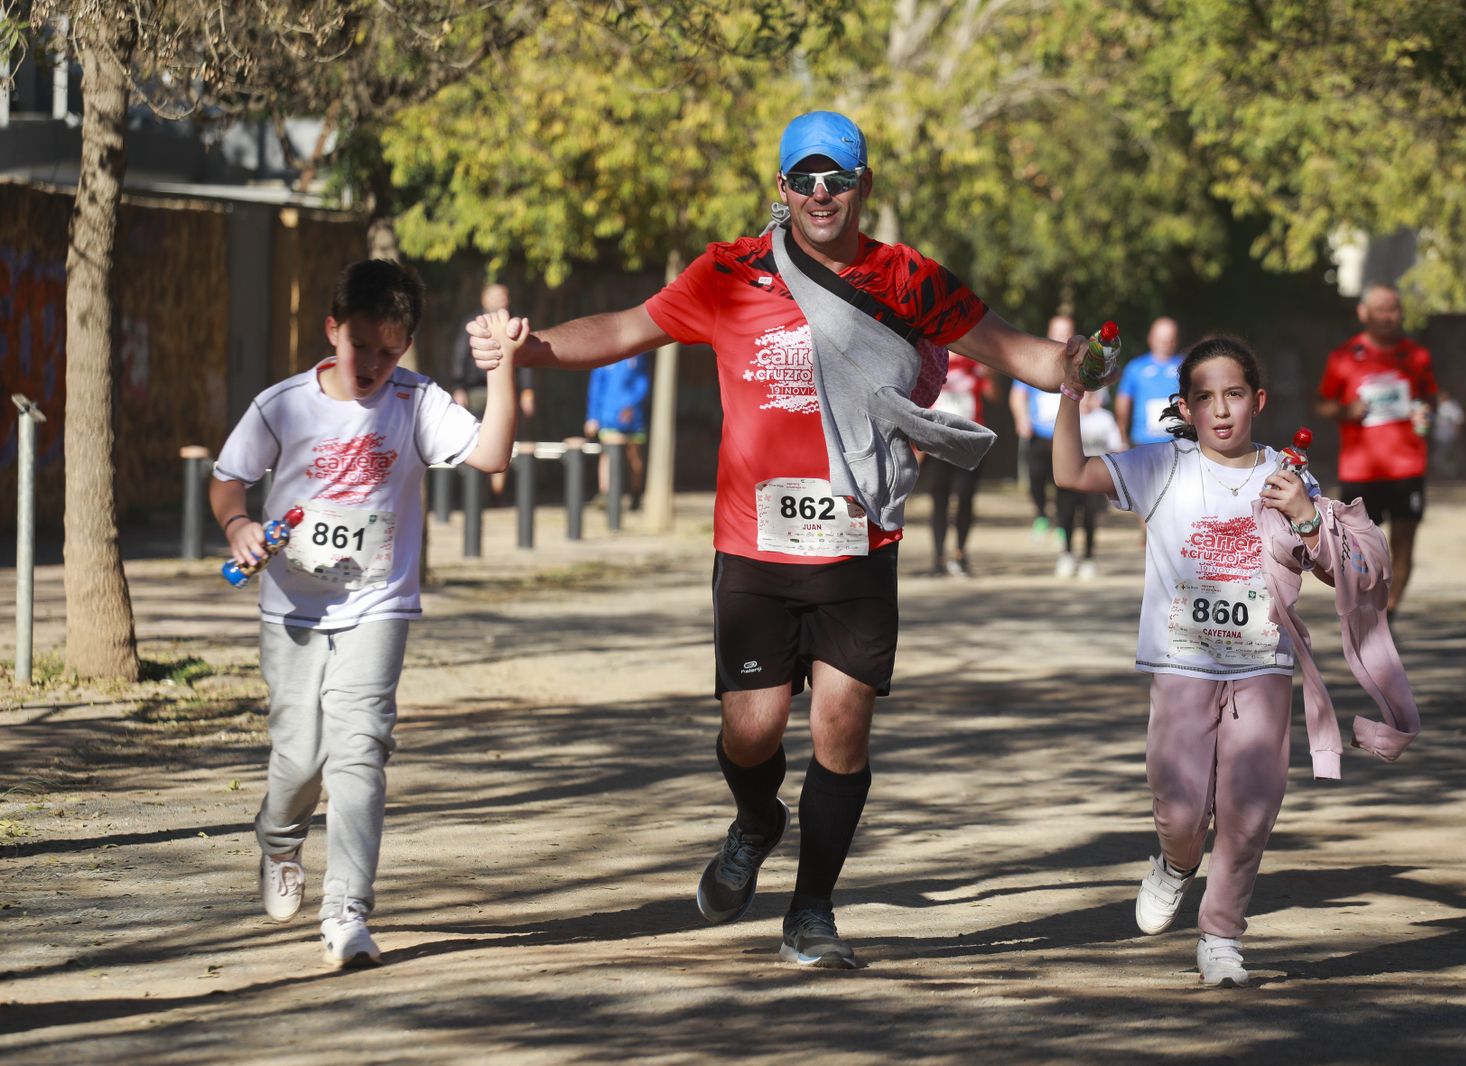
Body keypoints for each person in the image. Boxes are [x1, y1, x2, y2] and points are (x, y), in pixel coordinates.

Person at [466, 110, 1085, 969]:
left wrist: (1080, 364)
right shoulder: (728, 272)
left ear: (864, 186)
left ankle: (813, 911)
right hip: (754, 547)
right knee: (752, 732)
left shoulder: (909, 279)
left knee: (842, 724)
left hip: (859, 542)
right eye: (805, 179)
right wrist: (529, 352)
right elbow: (621, 329)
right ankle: (758, 821)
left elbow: (1018, 350)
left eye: (837, 178)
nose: (821, 193)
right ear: (782, 188)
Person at [210, 260, 517, 969]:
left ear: (405, 346)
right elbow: (228, 479)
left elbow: (493, 453)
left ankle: (347, 911)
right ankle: (279, 836)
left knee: (359, 750)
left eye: (389, 350)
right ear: (331, 330)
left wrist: (502, 368)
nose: (373, 364)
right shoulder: (283, 404)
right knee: (299, 756)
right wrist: (238, 529)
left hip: (378, 603)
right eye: (360, 347)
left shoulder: (415, 401)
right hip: (292, 607)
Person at [1052, 336, 1325, 989]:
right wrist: (1069, 392)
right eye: (1206, 397)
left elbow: (1331, 569)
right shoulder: (1162, 466)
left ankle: (1222, 935)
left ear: (1258, 400)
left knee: (1251, 806)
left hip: (1262, 667)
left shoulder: (1286, 476)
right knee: (1180, 812)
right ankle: (1175, 865)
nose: (1222, 410)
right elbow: (1069, 473)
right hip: (1181, 665)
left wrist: (1308, 516)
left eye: (1235, 395)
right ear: (1186, 405)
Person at [1315, 283, 1437, 616]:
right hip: (1360, 469)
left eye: (1393, 309)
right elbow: (1322, 404)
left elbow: (1429, 400)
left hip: (1407, 466)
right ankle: (1364, 603)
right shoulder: (1343, 356)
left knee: (1404, 543)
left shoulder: (1417, 355)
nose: (1387, 316)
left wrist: (1425, 413)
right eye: (1380, 309)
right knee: (1356, 547)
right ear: (1363, 313)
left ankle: (1390, 610)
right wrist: (1344, 411)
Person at [452, 283, 536, 496]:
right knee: (476, 439)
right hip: (477, 389)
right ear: (483, 299)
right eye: (494, 296)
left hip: (508, 389)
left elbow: (525, 359)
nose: (500, 300)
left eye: (503, 295)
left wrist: (527, 391)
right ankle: (477, 493)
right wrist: (458, 387)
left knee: (504, 438)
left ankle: (496, 493)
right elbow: (460, 356)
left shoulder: (515, 324)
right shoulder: (472, 323)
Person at [922, 351, 997, 577]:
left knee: (965, 498)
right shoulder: (932, 361)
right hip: (939, 442)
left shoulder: (974, 363)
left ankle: (960, 554)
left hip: (967, 443)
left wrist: (989, 374)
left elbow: (992, 395)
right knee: (939, 500)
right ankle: (938, 558)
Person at [1010, 314, 1074, 552]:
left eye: (1067, 330)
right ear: (1049, 331)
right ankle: (1041, 515)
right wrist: (1022, 419)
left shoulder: (1081, 359)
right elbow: (1018, 394)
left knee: (1063, 483)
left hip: (1065, 437)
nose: (1062, 335)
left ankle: (1062, 525)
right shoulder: (1036, 359)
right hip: (1038, 433)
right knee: (1036, 479)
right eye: (1058, 330)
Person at [1058, 387, 1124, 579]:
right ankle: (1067, 554)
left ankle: (1088, 557)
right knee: (1066, 515)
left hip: (1093, 476)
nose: (1086, 400)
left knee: (1090, 518)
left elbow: (1116, 446)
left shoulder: (1104, 418)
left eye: (1091, 396)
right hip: (1069, 476)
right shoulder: (1067, 417)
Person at [584, 352, 653, 510]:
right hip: (608, 416)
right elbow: (595, 388)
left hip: (633, 418)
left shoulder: (637, 356)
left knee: (633, 457)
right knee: (607, 454)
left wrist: (632, 405)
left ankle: (635, 494)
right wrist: (592, 416)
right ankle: (606, 495)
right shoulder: (603, 356)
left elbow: (642, 383)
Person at [1115, 317, 1181, 447]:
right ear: (1150, 338)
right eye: (1161, 339)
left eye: (1169, 338)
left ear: (1175, 340)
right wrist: (1122, 434)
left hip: (1180, 443)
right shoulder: (1135, 367)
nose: (1165, 343)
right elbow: (1123, 400)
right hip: (1143, 443)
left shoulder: (1185, 366)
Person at [1430, 389, 1464, 478]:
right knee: (1441, 453)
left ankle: (1447, 473)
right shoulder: (1440, 406)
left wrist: (1457, 432)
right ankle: (1440, 472)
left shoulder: (1451, 405)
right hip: (1439, 435)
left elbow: (1458, 419)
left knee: (1446, 454)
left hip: (1448, 435)